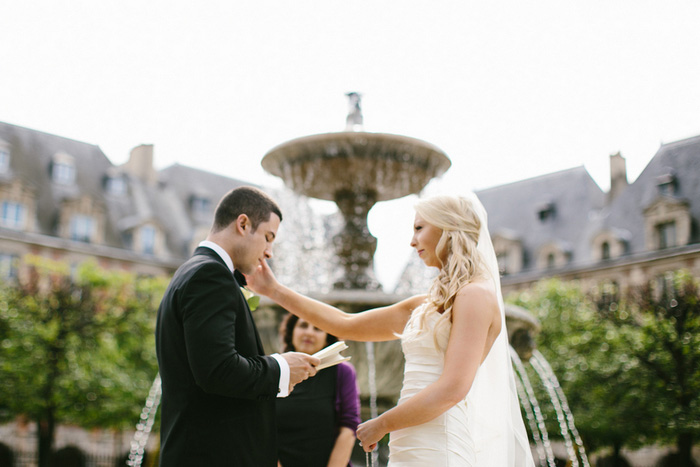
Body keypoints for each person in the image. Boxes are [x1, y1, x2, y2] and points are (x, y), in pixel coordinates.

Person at [246, 193, 535, 466]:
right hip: (409, 437)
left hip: (439, 438)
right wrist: (274, 290)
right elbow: (344, 324)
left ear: (450, 228)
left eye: (419, 227)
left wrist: (382, 423)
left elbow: (453, 388)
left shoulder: (475, 294)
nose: (412, 241)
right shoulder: (427, 304)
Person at [155, 186, 319, 467]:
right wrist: (281, 367)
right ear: (243, 224)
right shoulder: (210, 275)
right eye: (268, 238)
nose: (269, 252)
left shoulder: (193, 271)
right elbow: (218, 370)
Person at [276, 314, 361, 467]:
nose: (309, 332)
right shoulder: (274, 370)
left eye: (317, 328)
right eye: (303, 325)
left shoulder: (342, 373)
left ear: (328, 337)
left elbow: (349, 427)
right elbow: (261, 427)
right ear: (291, 332)